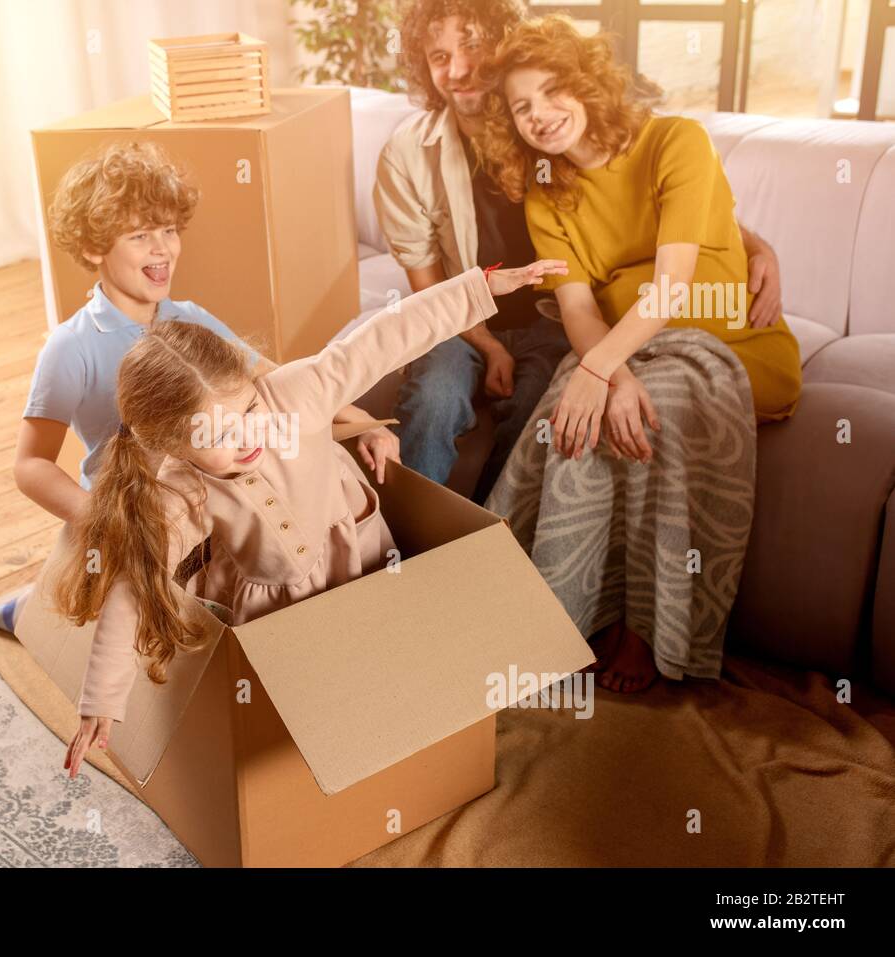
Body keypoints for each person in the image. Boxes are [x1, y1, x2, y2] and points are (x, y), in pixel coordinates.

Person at [47, 260, 567, 776]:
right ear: (172, 446)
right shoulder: (180, 489)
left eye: (248, 412)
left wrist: (479, 288)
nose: (247, 439)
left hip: (361, 556)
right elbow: (135, 584)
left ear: (250, 383)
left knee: (386, 645)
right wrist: (102, 700)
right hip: (278, 603)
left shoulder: (295, 393)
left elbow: (387, 336)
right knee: (306, 704)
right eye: (218, 436)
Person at [475, 15, 803, 692]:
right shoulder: (546, 193)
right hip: (631, 343)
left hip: (728, 340)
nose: (540, 115)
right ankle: (559, 610)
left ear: (586, 82)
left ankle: (645, 628)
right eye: (522, 106)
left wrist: (599, 369)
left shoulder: (675, 141)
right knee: (572, 413)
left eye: (552, 90)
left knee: (653, 408)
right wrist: (611, 376)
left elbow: (672, 286)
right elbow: (578, 309)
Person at [374, 0, 785, 503]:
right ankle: (402, 532)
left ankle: (492, 533)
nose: (457, 70)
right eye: (439, 57)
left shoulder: (558, 132)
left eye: (473, 47)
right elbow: (430, 289)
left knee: (539, 414)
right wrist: (492, 347)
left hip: (550, 319)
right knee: (434, 396)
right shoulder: (415, 155)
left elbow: (664, 192)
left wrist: (756, 245)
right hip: (467, 320)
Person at [0, 140, 396, 633]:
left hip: (208, 498)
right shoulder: (70, 346)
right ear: (94, 247)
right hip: (136, 512)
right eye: (140, 235)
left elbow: (277, 380)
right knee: (101, 612)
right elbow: (30, 464)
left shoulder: (190, 319)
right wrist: (102, 521)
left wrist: (361, 421)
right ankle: (27, 610)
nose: (162, 247)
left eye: (168, 230)